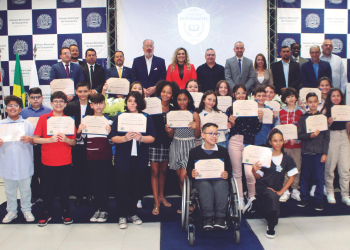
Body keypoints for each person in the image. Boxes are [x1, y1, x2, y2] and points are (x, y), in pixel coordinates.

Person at [110, 91, 156, 229]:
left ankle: (132, 213)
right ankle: (122, 215)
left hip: (140, 158)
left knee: (136, 187)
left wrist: (140, 138)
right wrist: (125, 138)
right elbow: (113, 137)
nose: (132, 103)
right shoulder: (120, 117)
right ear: (126, 102)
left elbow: (152, 137)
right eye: (130, 101)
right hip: (123, 158)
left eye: (135, 101)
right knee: (122, 187)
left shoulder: (146, 117)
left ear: (140, 103)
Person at [34, 91, 77, 227]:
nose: (58, 104)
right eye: (55, 101)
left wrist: (66, 140)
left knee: (65, 190)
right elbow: (35, 139)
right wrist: (49, 140)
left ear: (65, 104)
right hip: (48, 161)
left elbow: (74, 142)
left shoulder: (69, 120)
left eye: (61, 101)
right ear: (51, 103)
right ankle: (46, 212)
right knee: (47, 189)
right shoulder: (43, 118)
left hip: (65, 160)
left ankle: (65, 211)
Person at [252, 128, 297, 239]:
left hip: (276, 189)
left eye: (280, 140)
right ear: (270, 142)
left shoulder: (288, 159)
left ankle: (258, 208)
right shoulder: (265, 157)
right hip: (263, 187)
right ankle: (270, 227)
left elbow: (291, 178)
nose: (278, 143)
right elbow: (259, 177)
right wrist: (254, 170)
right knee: (272, 198)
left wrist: (281, 191)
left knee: (274, 210)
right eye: (275, 140)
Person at [187, 123, 233, 229]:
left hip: (219, 179)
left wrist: (226, 173)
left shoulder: (223, 151)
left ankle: (220, 218)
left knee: (221, 185)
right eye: (211, 133)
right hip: (201, 181)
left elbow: (229, 169)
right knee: (205, 186)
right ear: (202, 135)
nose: (214, 136)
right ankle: (208, 217)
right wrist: (192, 173)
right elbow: (189, 169)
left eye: (216, 134)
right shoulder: (195, 152)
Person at [76, 93, 113, 223]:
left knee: (105, 183)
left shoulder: (109, 120)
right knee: (95, 183)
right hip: (91, 156)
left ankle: (105, 209)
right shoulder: (86, 120)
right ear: (91, 105)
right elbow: (79, 141)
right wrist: (79, 131)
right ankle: (97, 209)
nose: (98, 106)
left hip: (105, 156)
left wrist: (110, 133)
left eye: (101, 103)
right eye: (95, 103)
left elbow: (113, 142)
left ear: (104, 105)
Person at [226, 84, 263, 212]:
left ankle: (252, 197)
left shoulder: (252, 107)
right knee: (237, 173)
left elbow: (256, 129)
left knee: (249, 172)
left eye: (243, 93)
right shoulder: (230, 109)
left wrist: (260, 119)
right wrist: (231, 123)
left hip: (249, 142)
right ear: (233, 95)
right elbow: (229, 129)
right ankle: (240, 198)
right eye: (238, 93)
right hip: (235, 141)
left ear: (246, 94)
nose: (241, 95)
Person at [0, 96, 35, 223]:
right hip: (7, 163)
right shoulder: (1, 124)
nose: (12, 108)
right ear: (6, 108)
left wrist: (30, 140)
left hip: (24, 162)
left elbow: (34, 142)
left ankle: (27, 210)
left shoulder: (27, 124)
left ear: (20, 109)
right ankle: (11, 211)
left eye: (15, 105)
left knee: (26, 190)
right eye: (10, 105)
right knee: (9, 190)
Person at [166, 89, 201, 213]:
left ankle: (191, 200)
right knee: (179, 177)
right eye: (179, 99)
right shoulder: (172, 114)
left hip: (189, 146)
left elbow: (198, 135)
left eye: (185, 99)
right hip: (176, 145)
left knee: (184, 177)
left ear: (189, 100)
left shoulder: (194, 114)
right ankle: (185, 202)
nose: (182, 102)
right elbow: (170, 136)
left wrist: (196, 127)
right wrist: (169, 130)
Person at [149, 80, 180, 215]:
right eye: (163, 92)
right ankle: (156, 202)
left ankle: (162, 196)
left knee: (163, 171)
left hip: (168, 143)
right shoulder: (152, 105)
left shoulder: (173, 108)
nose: (165, 94)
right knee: (154, 171)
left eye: (169, 92)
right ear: (159, 92)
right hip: (154, 142)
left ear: (172, 95)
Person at [63, 82, 94, 207]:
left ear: (89, 92)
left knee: (89, 169)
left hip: (90, 142)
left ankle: (90, 194)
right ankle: (79, 195)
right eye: (80, 91)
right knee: (77, 170)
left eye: (85, 91)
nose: (82, 94)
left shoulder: (93, 106)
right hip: (75, 142)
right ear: (76, 92)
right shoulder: (70, 106)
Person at [297, 93, 329, 211]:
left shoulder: (323, 118)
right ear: (307, 103)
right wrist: (311, 136)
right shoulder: (303, 118)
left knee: (319, 177)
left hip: (319, 153)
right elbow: (300, 135)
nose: (313, 104)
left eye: (315, 101)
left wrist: (325, 153)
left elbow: (326, 137)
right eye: (310, 102)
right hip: (307, 152)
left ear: (318, 102)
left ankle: (319, 200)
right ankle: (304, 198)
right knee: (305, 176)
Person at [21, 87, 51, 203]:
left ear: (42, 98)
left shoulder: (48, 111)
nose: (35, 100)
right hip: (28, 146)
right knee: (32, 171)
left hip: (44, 145)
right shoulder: (24, 112)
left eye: (38, 97)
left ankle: (44, 194)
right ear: (29, 99)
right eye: (33, 97)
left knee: (44, 170)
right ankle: (34, 194)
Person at [321, 88, 350, 206]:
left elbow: (348, 126)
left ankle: (345, 195)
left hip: (344, 137)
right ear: (330, 97)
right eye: (333, 96)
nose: (336, 98)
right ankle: (330, 192)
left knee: (345, 169)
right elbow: (321, 128)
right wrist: (327, 122)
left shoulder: (345, 109)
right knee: (330, 167)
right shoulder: (326, 110)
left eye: (338, 96)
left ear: (341, 97)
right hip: (331, 138)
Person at [275, 88, 304, 202]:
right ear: (284, 99)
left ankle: (295, 189)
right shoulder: (281, 112)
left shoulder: (301, 112)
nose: (291, 99)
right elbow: (278, 128)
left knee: (296, 168)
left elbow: (303, 130)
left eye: (293, 96)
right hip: (285, 146)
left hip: (297, 146)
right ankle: (285, 190)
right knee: (284, 168)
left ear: (296, 98)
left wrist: (296, 139)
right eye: (288, 97)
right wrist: (282, 140)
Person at [214, 80, 232, 148]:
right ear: (217, 89)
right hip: (217, 134)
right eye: (221, 87)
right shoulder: (213, 102)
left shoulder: (232, 103)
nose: (223, 89)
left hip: (228, 134)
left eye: (225, 87)